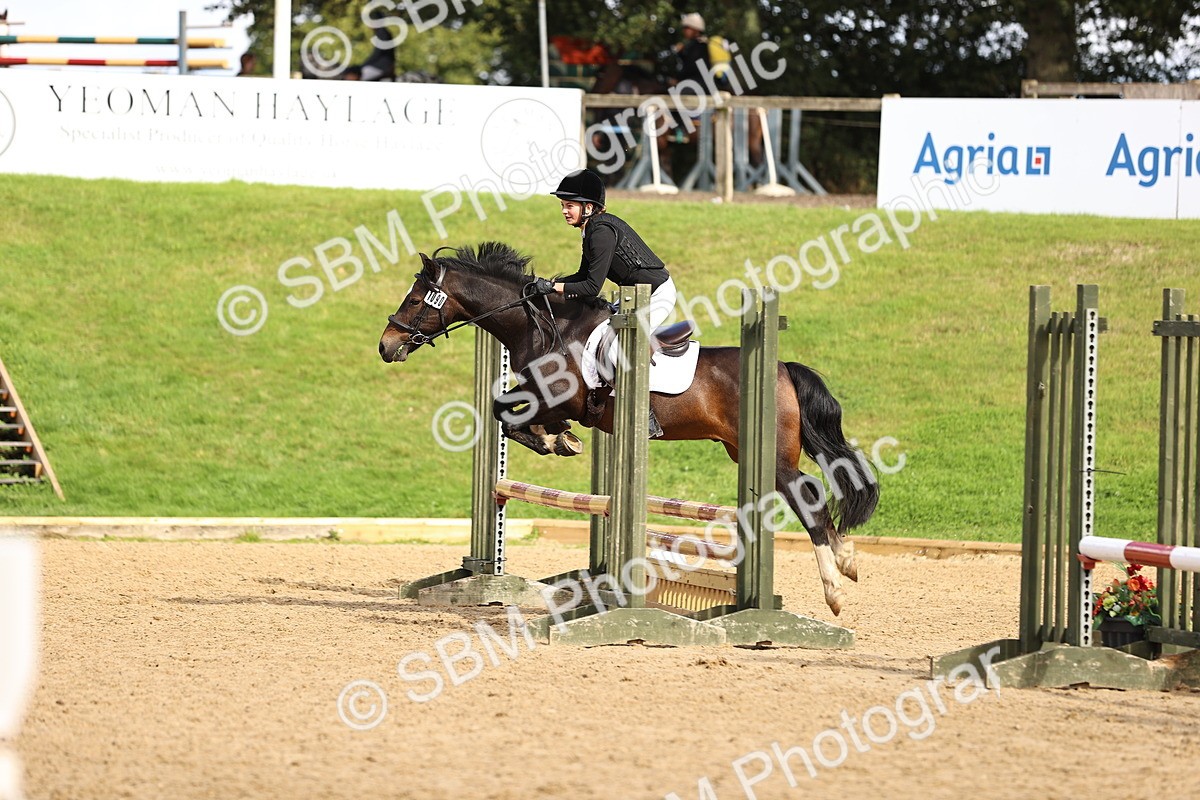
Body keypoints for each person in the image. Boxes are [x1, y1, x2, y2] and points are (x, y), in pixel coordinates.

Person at [532, 168, 676, 436]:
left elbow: (590, 287)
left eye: (570, 205)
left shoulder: (601, 232)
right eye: (563, 205)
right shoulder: (590, 230)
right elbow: (582, 275)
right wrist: (548, 286)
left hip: (656, 296)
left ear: (588, 207)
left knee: (619, 347)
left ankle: (646, 415)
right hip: (635, 296)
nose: (564, 211)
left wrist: (554, 287)